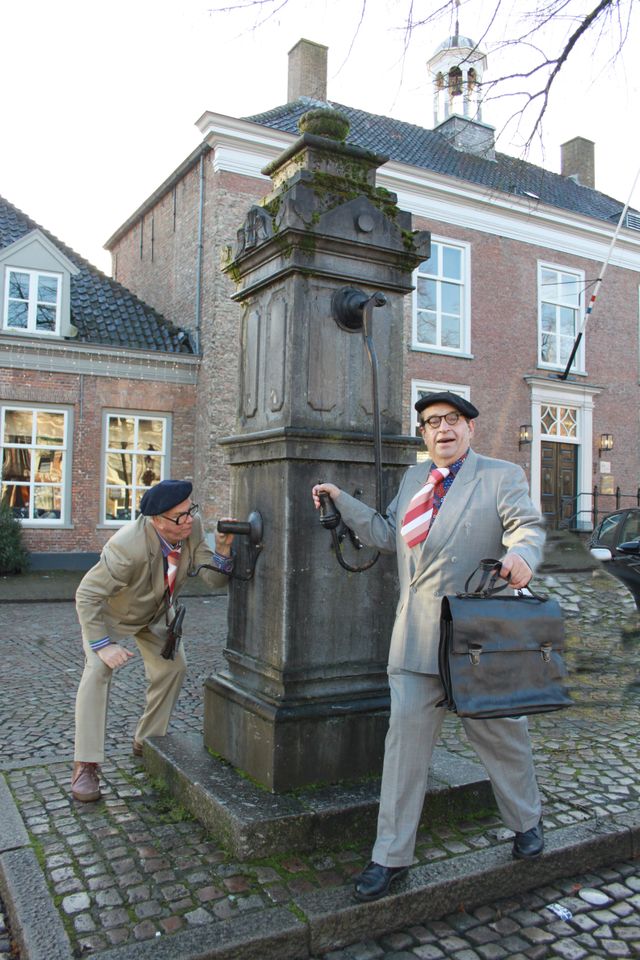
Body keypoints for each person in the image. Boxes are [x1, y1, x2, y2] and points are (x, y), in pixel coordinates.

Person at [312, 391, 546, 902]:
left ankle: (527, 821)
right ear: (423, 434)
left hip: (476, 640)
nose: (442, 429)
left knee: (502, 739)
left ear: (469, 428)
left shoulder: (501, 475)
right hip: (415, 641)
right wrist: (340, 500)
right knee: (404, 753)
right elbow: (384, 533)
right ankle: (390, 858)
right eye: (431, 422)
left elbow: (525, 526)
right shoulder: (414, 479)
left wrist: (523, 556)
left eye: (452, 420)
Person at [72, 479, 234, 803]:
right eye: (180, 516)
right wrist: (103, 645)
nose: (189, 519)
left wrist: (224, 550)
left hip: (156, 613)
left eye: (191, 511)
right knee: (96, 674)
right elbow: (87, 594)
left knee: (173, 668)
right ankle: (85, 764)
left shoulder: (192, 526)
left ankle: (147, 741)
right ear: (157, 520)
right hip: (112, 615)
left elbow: (212, 578)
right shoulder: (125, 548)